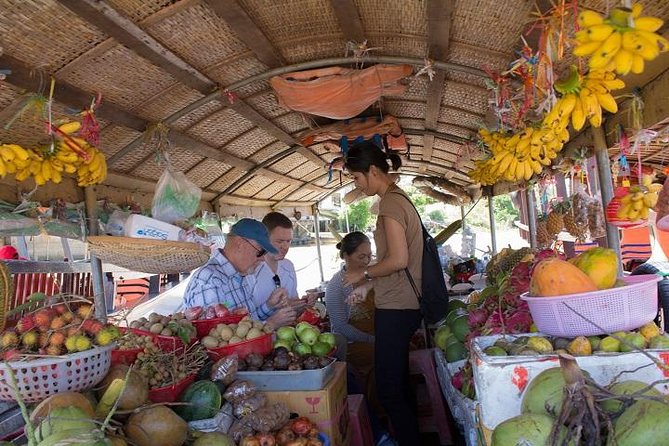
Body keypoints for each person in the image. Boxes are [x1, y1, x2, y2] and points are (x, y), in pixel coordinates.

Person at [343, 141, 423, 445]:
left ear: (373, 171)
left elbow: (398, 260)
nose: (357, 184)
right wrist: (368, 286)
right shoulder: (399, 200)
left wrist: (362, 273)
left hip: (397, 308)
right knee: (399, 386)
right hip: (402, 303)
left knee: (389, 390)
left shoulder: (390, 204)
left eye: (356, 177)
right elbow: (396, 264)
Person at [183, 218, 290, 329]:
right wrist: (270, 324)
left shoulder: (240, 274)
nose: (263, 259)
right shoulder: (209, 281)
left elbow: (249, 321)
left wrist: (269, 305)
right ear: (240, 244)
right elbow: (219, 338)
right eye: (261, 251)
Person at [253, 212, 316, 322]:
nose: (285, 247)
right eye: (279, 241)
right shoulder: (251, 270)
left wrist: (303, 304)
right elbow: (246, 321)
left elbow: (294, 313)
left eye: (288, 241)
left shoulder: (288, 266)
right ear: (264, 239)